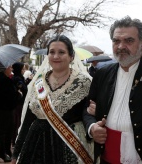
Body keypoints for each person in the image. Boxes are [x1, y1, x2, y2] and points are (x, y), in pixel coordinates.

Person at [83, 16, 142, 164]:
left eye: (129, 41)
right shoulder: (102, 74)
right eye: (116, 41)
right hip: (107, 158)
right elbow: (87, 109)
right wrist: (92, 128)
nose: (121, 46)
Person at [11, 35, 94, 164]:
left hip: (68, 148)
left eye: (61, 52)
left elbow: (88, 117)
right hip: (35, 146)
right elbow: (28, 120)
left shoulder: (84, 83)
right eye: (52, 52)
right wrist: (16, 154)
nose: (56, 56)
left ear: (71, 57)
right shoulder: (38, 82)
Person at [0, 65, 22, 162]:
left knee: (6, 131)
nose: (11, 69)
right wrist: (19, 94)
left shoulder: (3, 79)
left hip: (4, 109)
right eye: (10, 67)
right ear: (5, 69)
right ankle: (3, 153)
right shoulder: (3, 80)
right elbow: (11, 96)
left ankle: (5, 152)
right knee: (4, 131)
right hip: (5, 110)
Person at [11, 62, 28, 147]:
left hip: (18, 103)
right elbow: (24, 89)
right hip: (18, 104)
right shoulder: (18, 79)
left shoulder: (18, 78)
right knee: (17, 123)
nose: (24, 70)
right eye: (23, 69)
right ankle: (15, 141)